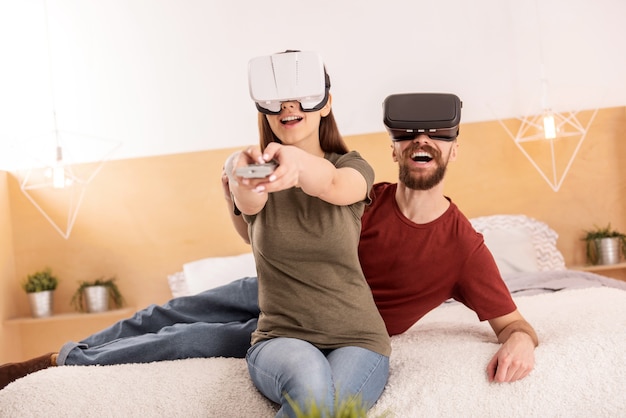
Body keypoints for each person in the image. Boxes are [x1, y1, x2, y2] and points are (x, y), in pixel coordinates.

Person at [0, 92, 537, 391]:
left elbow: (513, 322)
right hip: (275, 287)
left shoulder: (464, 246)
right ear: (395, 150)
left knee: (183, 342)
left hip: (330, 326)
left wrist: (518, 341)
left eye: (438, 136)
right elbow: (264, 231)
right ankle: (45, 361)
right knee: (165, 314)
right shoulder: (361, 194)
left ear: (454, 150)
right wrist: (235, 198)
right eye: (409, 136)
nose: (423, 142)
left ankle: (70, 361)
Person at [225, 50, 390, 417]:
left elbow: (331, 183)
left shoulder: (352, 167)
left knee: (320, 410)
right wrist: (248, 177)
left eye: (301, 95)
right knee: (311, 382)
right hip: (281, 338)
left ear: (326, 103)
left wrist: (296, 165)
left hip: (359, 339)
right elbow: (248, 200)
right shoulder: (249, 167)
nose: (289, 106)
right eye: (278, 99)